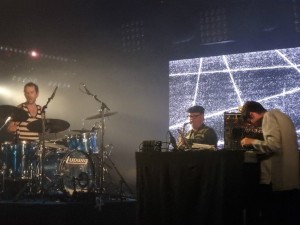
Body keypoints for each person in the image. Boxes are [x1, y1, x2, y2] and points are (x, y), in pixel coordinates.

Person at [240, 101, 300, 225]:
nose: (253, 125)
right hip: (291, 179)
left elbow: (273, 145)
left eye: (249, 121)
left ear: (251, 114)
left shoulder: (268, 116)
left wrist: (251, 142)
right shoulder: (283, 116)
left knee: (271, 216)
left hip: (276, 179)